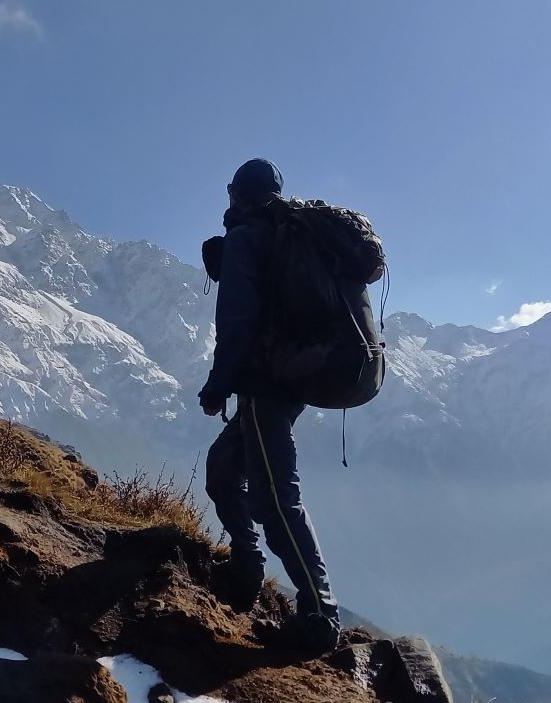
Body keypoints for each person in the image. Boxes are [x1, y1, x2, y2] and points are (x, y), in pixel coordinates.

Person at [199, 158, 343, 652]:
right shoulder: (286, 236)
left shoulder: (246, 240)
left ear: (237, 195)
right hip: (290, 378)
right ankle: (246, 566)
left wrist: (217, 385)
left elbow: (236, 323)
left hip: (265, 385)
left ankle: (321, 615)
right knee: (223, 469)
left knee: (276, 501)